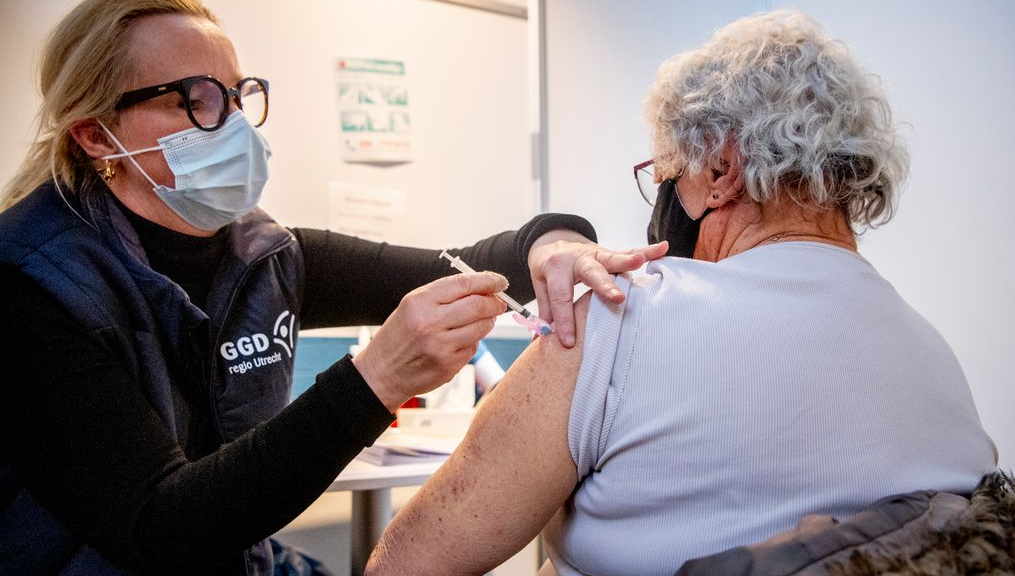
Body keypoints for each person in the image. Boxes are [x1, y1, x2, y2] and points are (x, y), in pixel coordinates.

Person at [0, 1, 668, 574]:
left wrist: (556, 244)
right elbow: (162, 527)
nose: (233, 125)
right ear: (97, 135)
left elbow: (469, 263)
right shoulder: (29, 285)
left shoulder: (264, 255)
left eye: (236, 95)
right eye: (195, 100)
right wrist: (376, 379)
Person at [365, 10, 999, 576]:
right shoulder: (934, 357)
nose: (662, 193)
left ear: (721, 170)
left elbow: (406, 565)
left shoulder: (620, 319)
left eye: (665, 169)